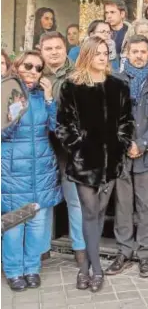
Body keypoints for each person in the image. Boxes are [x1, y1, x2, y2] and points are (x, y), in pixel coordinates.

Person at [56, 36, 133, 293]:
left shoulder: (118, 86)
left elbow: (127, 122)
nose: (103, 57)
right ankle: (94, 269)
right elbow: (64, 126)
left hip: (111, 163)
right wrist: (80, 148)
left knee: (99, 213)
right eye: (98, 53)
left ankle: (86, 267)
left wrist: (120, 146)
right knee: (89, 212)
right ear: (87, 55)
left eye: (105, 52)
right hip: (84, 164)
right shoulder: (72, 87)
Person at [105, 35, 148, 278]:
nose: (139, 55)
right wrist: (124, 143)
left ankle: (144, 255)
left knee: (147, 206)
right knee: (122, 206)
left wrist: (142, 144)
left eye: (143, 51)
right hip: (121, 156)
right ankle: (124, 251)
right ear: (126, 54)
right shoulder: (114, 81)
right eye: (134, 51)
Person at [2, 51, 63, 291]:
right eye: (28, 65)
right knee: (15, 225)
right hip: (14, 168)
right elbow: (3, 133)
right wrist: (14, 110)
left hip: (42, 168)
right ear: (17, 66)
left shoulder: (41, 96)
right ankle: (14, 271)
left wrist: (49, 99)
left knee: (38, 225)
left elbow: (56, 127)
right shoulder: (6, 91)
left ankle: (32, 268)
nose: (33, 71)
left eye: (38, 68)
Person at [39, 32, 86, 266]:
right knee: (44, 199)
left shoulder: (77, 74)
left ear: (66, 48)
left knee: (74, 199)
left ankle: (80, 247)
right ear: (41, 51)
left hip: (69, 148)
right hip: (43, 146)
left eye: (58, 47)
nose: (54, 52)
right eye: (49, 48)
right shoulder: (34, 74)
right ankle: (42, 247)